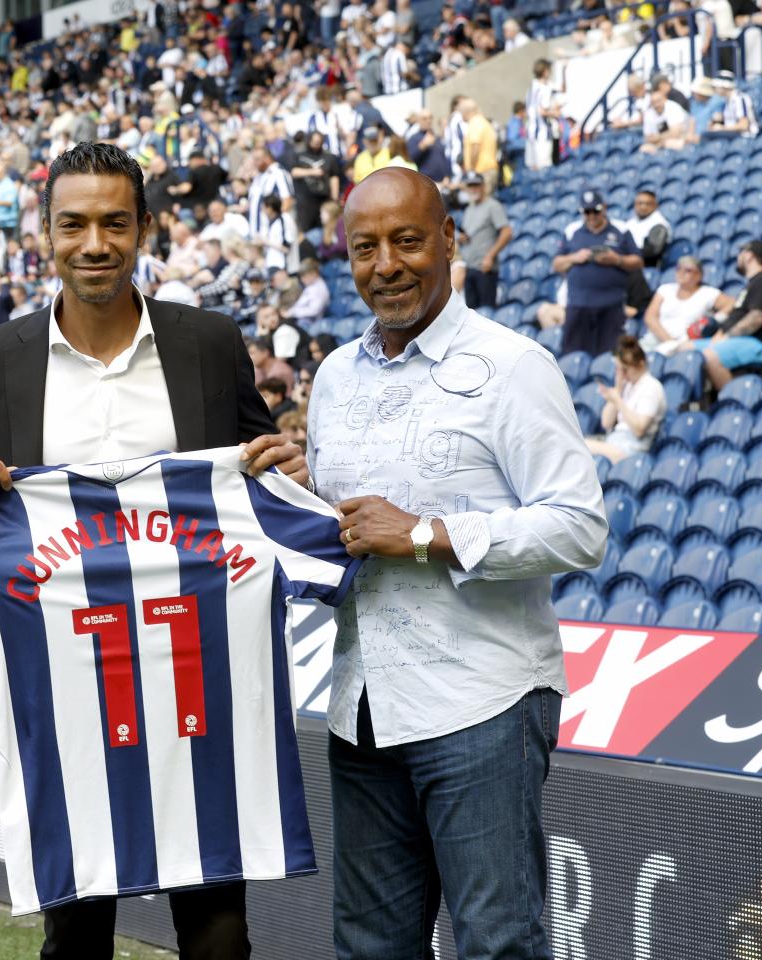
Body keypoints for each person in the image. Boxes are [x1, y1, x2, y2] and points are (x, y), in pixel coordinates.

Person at [0, 141, 307, 960]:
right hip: (57, 674)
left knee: (215, 921)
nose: (95, 243)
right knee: (78, 920)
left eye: (114, 223)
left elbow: (257, 462)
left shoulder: (206, 341)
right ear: (45, 234)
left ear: (145, 229)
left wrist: (284, 463)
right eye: (74, 224)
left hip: (195, 668)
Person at [315, 167, 607, 960]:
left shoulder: (514, 366)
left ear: (449, 240)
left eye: (408, 240)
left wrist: (427, 534)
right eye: (366, 247)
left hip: (482, 702)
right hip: (363, 704)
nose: (387, 264)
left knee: (497, 944)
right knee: (371, 946)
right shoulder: (333, 379)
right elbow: (343, 526)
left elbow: (581, 527)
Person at [679, 239, 762, 389]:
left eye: (741, 253)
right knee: (685, 348)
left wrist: (726, 337)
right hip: (739, 340)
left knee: (711, 355)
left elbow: (756, 318)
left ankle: (732, 402)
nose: (738, 257)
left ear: (748, 256)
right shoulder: (752, 282)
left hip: (761, 343)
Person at [552, 189, 644, 356]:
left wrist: (617, 259)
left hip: (611, 305)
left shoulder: (621, 229)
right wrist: (575, 257)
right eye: (586, 212)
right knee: (573, 353)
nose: (591, 215)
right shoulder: (572, 230)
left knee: (609, 355)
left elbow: (638, 261)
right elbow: (557, 264)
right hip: (578, 304)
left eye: (595, 210)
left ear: (605, 208)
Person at [585, 336, 668, 463]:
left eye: (625, 369)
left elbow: (639, 429)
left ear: (641, 364)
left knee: (580, 446)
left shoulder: (652, 387)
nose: (622, 374)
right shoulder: (627, 386)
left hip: (632, 451)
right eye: (619, 369)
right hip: (613, 441)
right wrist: (617, 390)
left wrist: (618, 401)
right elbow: (606, 423)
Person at [641, 256, 725, 354]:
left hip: (685, 345)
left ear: (699, 275)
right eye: (678, 269)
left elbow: (731, 305)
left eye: (687, 270)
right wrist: (669, 341)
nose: (681, 273)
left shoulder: (708, 293)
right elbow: (650, 317)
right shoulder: (665, 289)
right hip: (655, 339)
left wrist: (714, 320)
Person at [456, 172, 512, 310]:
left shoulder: (493, 205)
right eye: (470, 185)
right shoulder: (469, 209)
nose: (474, 189)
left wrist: (490, 256)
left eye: (476, 185)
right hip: (470, 267)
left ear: (483, 186)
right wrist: (464, 238)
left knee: (486, 314)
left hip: (485, 268)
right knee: (472, 315)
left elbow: (507, 232)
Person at [623, 189, 671, 267]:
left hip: (647, 267)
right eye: (640, 203)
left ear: (655, 205)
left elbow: (652, 252)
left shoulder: (659, 224)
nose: (643, 207)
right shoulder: (630, 222)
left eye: (648, 204)